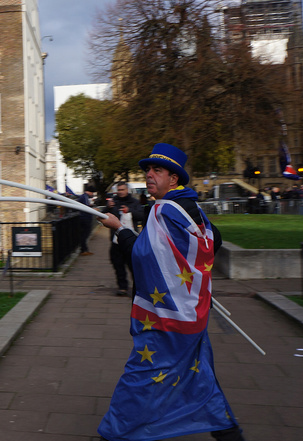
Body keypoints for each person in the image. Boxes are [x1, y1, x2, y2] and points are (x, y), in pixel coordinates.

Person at [97, 143, 243, 441]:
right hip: (191, 313)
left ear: (173, 178)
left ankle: (115, 433)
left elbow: (141, 256)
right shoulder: (191, 208)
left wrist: (119, 228)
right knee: (197, 375)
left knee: (140, 377)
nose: (149, 175)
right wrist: (189, 279)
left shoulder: (164, 210)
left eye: (157, 170)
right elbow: (211, 242)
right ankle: (226, 431)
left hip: (166, 319)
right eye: (147, 170)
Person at [107, 182, 143, 296]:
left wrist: (130, 211)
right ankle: (122, 287)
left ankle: (138, 288)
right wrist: (109, 208)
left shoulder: (135, 202)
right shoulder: (113, 202)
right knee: (118, 265)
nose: (120, 192)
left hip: (131, 240)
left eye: (122, 189)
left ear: (127, 190)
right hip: (116, 240)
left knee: (134, 266)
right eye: (119, 190)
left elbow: (141, 216)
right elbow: (105, 218)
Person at [77, 185, 96, 255]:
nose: (92, 194)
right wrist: (93, 209)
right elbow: (86, 207)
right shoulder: (85, 197)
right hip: (85, 218)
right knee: (85, 234)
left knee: (84, 234)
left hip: (84, 217)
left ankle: (84, 249)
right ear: (89, 192)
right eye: (92, 192)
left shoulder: (84, 196)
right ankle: (84, 250)